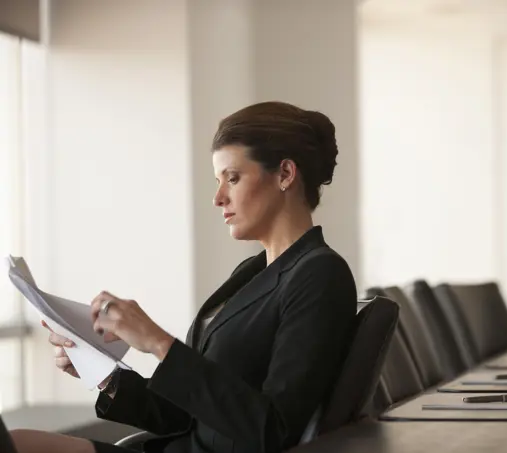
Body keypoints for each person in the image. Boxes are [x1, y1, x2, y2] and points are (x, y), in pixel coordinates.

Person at [9, 101, 358, 453]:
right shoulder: (252, 273)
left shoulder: (320, 274)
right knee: (16, 441)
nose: (218, 197)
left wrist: (159, 342)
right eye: (218, 181)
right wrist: (104, 375)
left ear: (284, 174)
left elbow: (274, 431)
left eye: (233, 178)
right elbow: (194, 414)